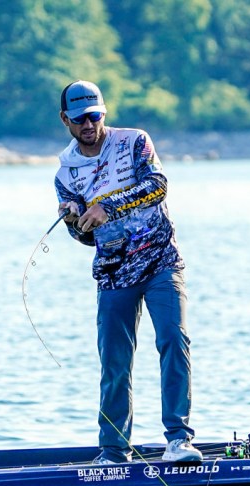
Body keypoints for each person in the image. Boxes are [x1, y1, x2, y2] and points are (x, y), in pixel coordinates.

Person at [54, 80, 201, 465]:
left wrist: (107, 206)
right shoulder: (65, 176)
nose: (89, 125)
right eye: (80, 119)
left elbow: (157, 186)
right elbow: (86, 238)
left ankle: (178, 440)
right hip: (113, 274)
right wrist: (73, 222)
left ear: (103, 112)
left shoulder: (135, 141)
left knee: (174, 340)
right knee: (115, 363)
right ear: (65, 120)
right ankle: (114, 451)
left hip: (161, 260)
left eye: (95, 116)